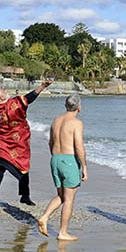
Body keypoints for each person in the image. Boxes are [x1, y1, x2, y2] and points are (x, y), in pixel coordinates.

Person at [0, 79, 52, 205]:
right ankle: (25, 196)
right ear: (2, 97)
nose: (7, 92)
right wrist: (42, 87)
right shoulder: (12, 105)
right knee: (23, 167)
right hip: (18, 145)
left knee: (0, 167)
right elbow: (28, 99)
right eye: (4, 91)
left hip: (2, 144)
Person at [37, 94, 86, 241]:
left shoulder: (56, 121)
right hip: (68, 160)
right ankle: (63, 232)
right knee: (69, 199)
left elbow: (51, 142)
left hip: (55, 159)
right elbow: (79, 146)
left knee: (62, 196)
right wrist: (84, 166)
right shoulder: (76, 123)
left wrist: (56, 158)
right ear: (79, 107)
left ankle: (45, 217)